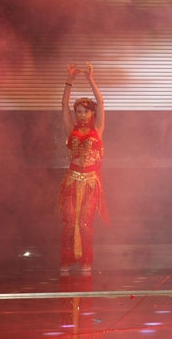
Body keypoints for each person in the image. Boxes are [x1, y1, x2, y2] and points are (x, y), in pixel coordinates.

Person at [58, 63, 107, 275]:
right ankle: (66, 262)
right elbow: (63, 105)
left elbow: (101, 103)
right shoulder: (72, 129)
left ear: (91, 113)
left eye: (85, 111)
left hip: (90, 183)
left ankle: (86, 262)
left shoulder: (97, 129)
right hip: (72, 181)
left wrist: (90, 78)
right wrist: (70, 79)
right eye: (78, 111)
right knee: (69, 223)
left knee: (85, 223)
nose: (81, 115)